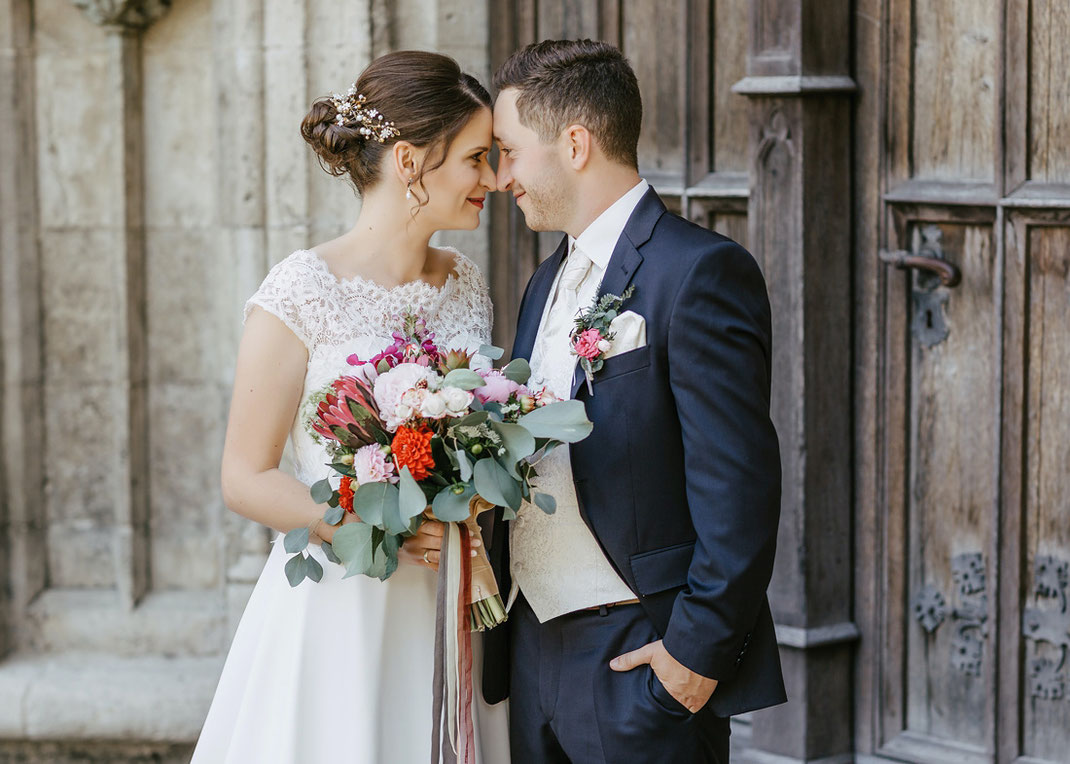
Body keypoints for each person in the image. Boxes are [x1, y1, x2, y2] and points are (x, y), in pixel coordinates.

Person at [192, 51, 509, 764]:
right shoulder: (300, 290)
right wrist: (375, 524)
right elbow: (245, 476)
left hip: (446, 603)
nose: (492, 179)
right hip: (341, 599)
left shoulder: (465, 284)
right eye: (476, 159)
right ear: (409, 161)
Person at [483, 39, 787, 763]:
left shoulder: (700, 273)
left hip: (640, 661)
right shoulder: (543, 282)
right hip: (530, 657)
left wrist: (693, 656)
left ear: (576, 143)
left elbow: (738, 486)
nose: (501, 178)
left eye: (510, 151)